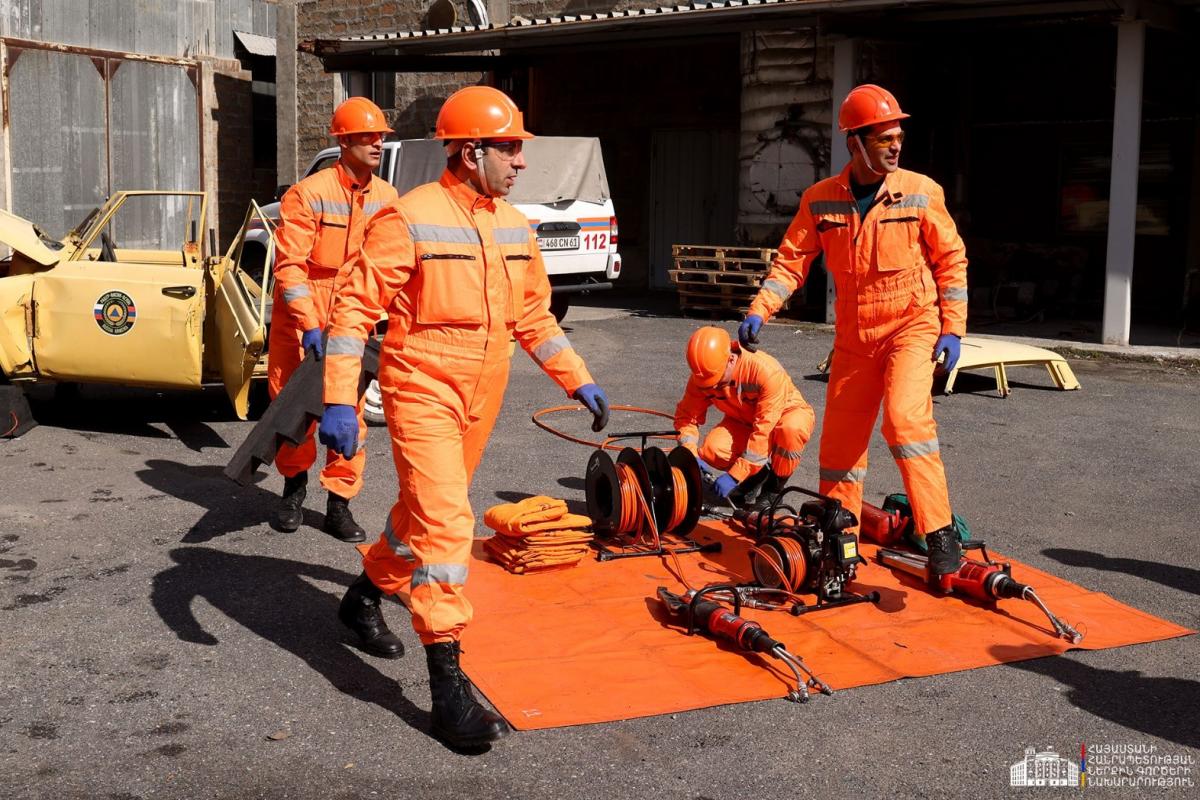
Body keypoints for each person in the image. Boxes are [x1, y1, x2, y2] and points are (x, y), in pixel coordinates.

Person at [317, 85, 610, 748]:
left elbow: (534, 316)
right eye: (510, 149)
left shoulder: (513, 226)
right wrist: (337, 398)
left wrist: (578, 378)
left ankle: (363, 598)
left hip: (483, 391)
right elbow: (354, 310)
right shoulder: (410, 216)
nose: (521, 161)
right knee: (448, 521)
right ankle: (447, 689)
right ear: (471, 151)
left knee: (420, 513)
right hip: (422, 385)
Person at [738, 84, 968, 584]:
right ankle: (837, 547)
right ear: (855, 143)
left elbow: (951, 261)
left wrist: (953, 328)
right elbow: (792, 261)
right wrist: (760, 311)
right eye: (884, 138)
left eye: (898, 137)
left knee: (905, 423)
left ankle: (939, 531)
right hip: (855, 336)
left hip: (911, 325)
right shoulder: (820, 200)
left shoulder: (921, 192)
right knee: (839, 450)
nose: (895, 146)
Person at [266, 97, 399, 542]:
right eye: (368, 136)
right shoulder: (308, 193)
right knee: (292, 409)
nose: (378, 143)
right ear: (343, 141)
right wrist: (308, 323)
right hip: (302, 315)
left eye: (380, 136)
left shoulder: (388, 198)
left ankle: (339, 504)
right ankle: (293, 490)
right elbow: (290, 267)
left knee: (351, 411)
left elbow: (391, 265)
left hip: (351, 312)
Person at [673, 327, 814, 509]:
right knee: (713, 449)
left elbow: (763, 431)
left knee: (791, 430)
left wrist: (734, 476)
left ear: (731, 359)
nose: (713, 387)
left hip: (785, 414)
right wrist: (690, 455)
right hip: (745, 421)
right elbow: (686, 417)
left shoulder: (765, 372)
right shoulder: (705, 376)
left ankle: (773, 490)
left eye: (717, 381)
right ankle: (755, 478)